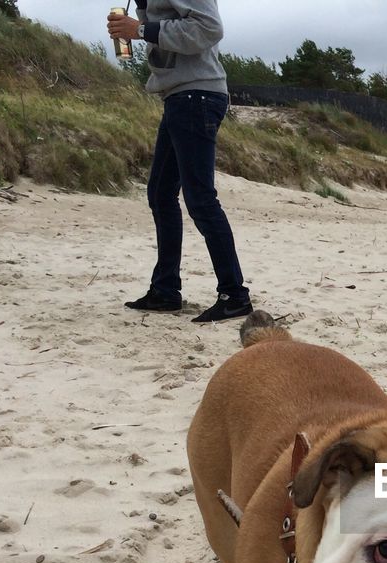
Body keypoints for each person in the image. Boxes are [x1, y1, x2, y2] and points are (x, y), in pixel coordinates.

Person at [108, 0, 252, 324]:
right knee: (160, 193)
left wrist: (141, 29)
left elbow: (210, 28)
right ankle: (165, 290)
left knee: (200, 198)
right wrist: (141, 19)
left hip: (197, 95)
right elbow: (168, 32)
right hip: (180, 96)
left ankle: (235, 295)